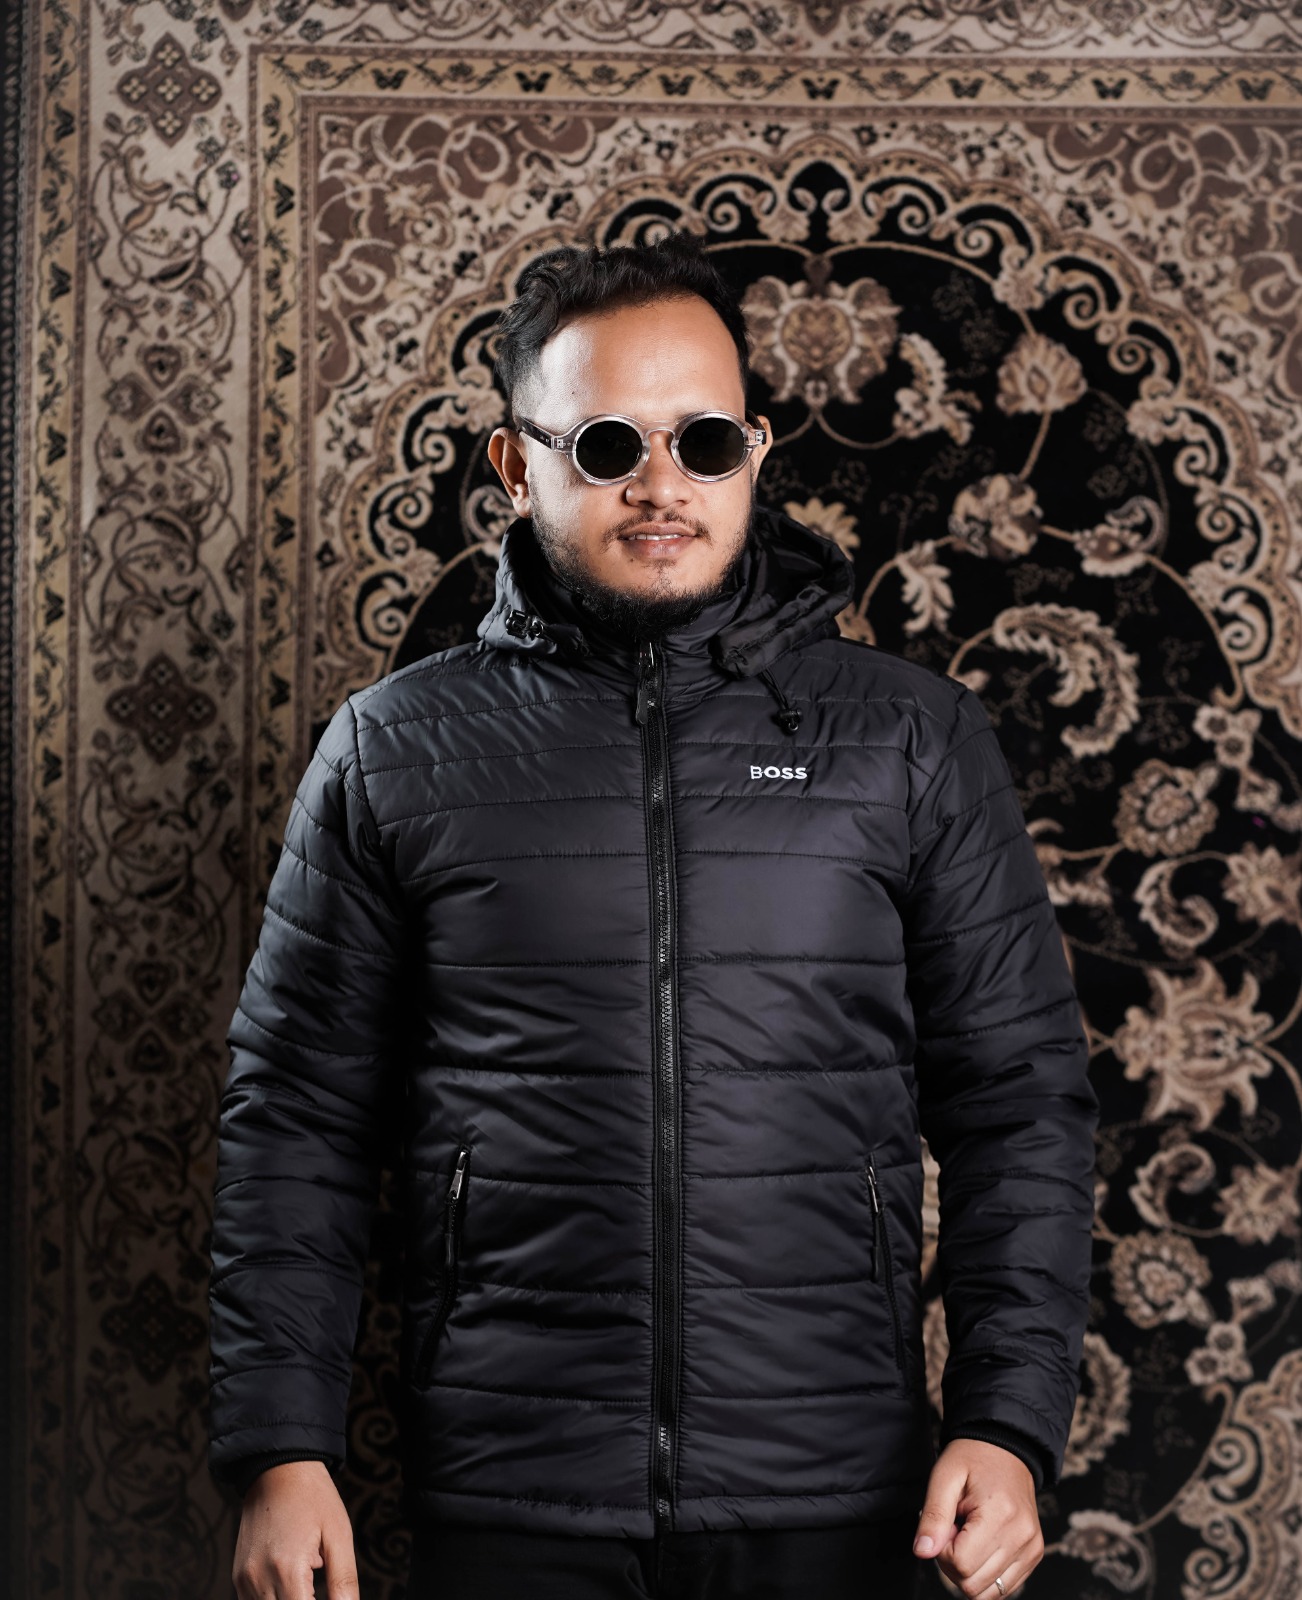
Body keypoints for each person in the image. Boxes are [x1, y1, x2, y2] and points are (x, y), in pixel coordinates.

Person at [209, 230, 1099, 1600]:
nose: (662, 486)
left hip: (835, 1487)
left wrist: (1007, 1423)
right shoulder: (392, 750)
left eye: (705, 442)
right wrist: (280, 1446)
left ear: (756, 451)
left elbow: (1020, 1105)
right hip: (511, 1490)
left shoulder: (909, 742)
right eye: (608, 444)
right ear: (517, 466)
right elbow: (298, 1117)